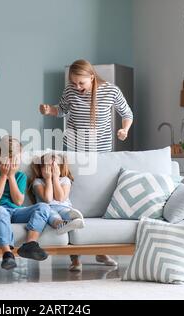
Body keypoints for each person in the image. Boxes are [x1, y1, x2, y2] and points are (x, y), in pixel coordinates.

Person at [39, 59, 134, 269]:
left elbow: (127, 114)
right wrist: (49, 110)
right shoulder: (70, 91)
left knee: (99, 202)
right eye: (73, 83)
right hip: (73, 154)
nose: (77, 87)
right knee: (73, 200)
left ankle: (101, 251)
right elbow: (61, 110)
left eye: (81, 83)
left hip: (100, 156)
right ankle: (75, 256)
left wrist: (124, 130)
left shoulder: (111, 91)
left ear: (92, 76)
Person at [0, 136, 53, 271]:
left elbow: (18, 202)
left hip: (15, 212)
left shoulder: (20, 176)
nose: (12, 163)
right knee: (0, 210)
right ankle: (7, 253)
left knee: (44, 207)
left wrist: (12, 176)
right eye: (8, 158)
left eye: (15, 159)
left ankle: (30, 243)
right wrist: (3, 176)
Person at [28, 152, 85, 235]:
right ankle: (61, 224)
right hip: (47, 209)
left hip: (63, 207)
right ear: (41, 168)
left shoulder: (65, 180)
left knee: (66, 212)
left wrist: (55, 178)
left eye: (54, 166)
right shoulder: (38, 182)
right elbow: (48, 199)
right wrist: (48, 179)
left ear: (59, 168)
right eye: (47, 166)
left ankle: (73, 216)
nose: (51, 169)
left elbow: (60, 198)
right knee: (52, 215)